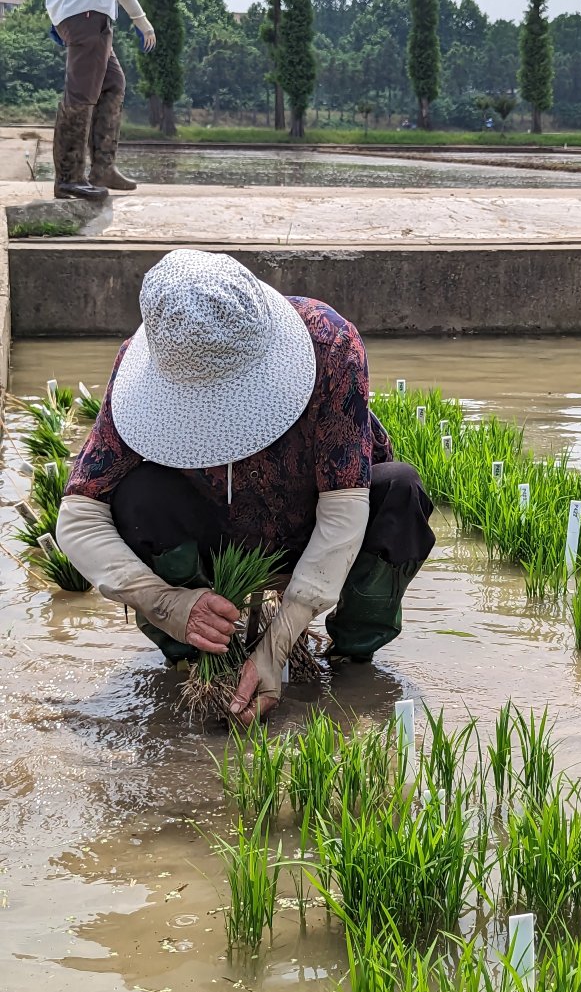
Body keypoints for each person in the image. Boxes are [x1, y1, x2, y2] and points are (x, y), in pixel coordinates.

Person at [56, 250, 436, 724]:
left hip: (312, 530)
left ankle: (352, 658)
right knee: (138, 497)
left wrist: (278, 644)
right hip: (217, 536)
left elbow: (344, 509)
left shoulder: (329, 343)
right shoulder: (150, 367)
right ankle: (196, 657)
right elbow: (78, 515)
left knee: (399, 489)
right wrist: (169, 604)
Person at [45, 0, 156, 201]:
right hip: (87, 14)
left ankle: (102, 169)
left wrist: (58, 16)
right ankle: (69, 179)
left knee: (112, 84)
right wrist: (140, 18)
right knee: (81, 95)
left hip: (79, 12)